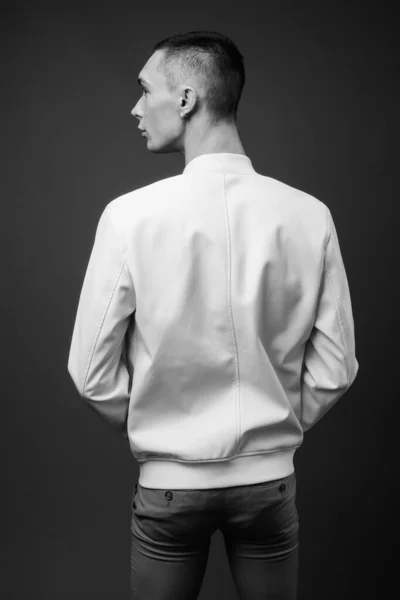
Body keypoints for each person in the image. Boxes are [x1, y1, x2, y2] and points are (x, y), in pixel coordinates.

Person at [67, 30, 359, 600]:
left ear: (185, 99)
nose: (135, 107)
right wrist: (273, 428)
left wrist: (158, 427)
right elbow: (337, 366)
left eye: (144, 89)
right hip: (268, 483)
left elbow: (90, 372)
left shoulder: (129, 217)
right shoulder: (309, 215)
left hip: (169, 486)